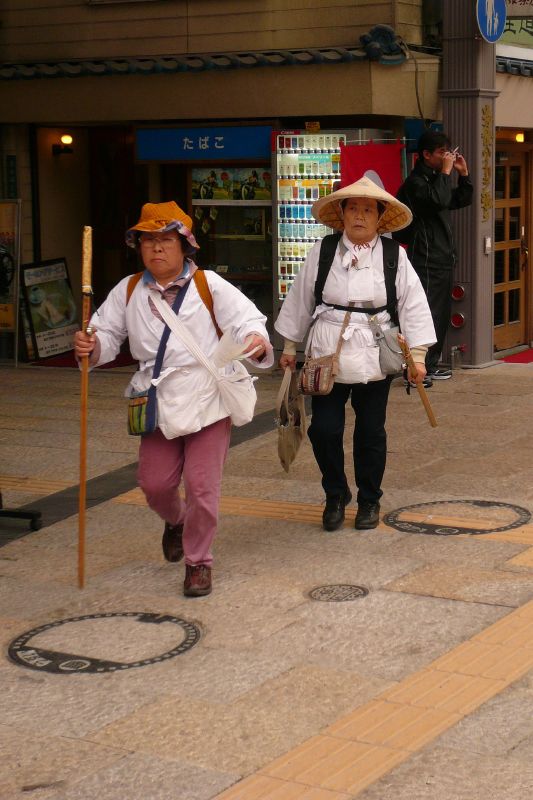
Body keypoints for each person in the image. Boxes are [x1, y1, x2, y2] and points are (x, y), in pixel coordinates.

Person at [74, 201, 273, 597]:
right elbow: (105, 334)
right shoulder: (129, 289)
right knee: (154, 484)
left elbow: (248, 321)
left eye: (165, 240)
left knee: (202, 487)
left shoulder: (209, 285)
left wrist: (254, 340)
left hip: (208, 395)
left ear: (185, 245)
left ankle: (198, 562)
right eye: (148, 241)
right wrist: (90, 346)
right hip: (157, 398)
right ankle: (176, 520)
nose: (156, 248)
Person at [275, 177, 436, 532]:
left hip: (375, 352)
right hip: (326, 353)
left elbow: (413, 304)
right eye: (353, 209)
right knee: (324, 430)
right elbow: (300, 299)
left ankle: (369, 500)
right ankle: (335, 494)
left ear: (379, 218)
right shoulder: (323, 252)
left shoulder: (394, 256)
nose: (360, 216)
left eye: (368, 210)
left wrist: (418, 356)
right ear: (342, 214)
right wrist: (288, 346)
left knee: (370, 432)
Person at [394, 130, 473, 383]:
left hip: (443, 256)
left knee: (440, 314)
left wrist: (463, 175)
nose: (446, 157)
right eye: (442, 152)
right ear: (426, 155)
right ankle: (415, 367)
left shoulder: (437, 179)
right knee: (425, 313)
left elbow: (460, 199)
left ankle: (430, 363)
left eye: (448, 152)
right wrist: (446, 173)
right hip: (426, 257)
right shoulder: (416, 182)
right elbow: (438, 199)